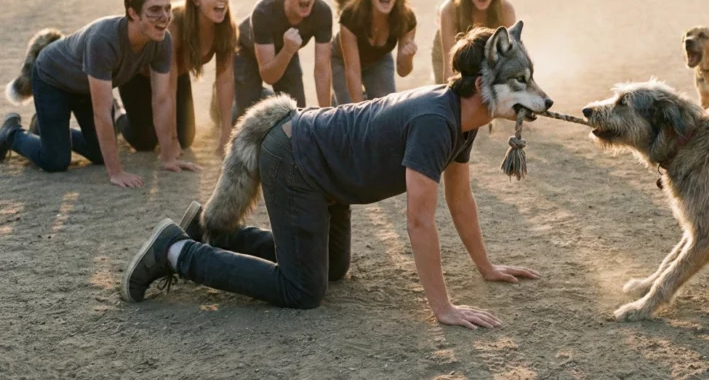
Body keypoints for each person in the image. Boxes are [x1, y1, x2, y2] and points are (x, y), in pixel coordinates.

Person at [121, 22, 554, 330]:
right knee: (302, 291)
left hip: (326, 174)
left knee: (332, 269)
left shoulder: (465, 120)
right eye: (521, 83)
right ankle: (175, 251)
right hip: (297, 160)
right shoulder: (435, 122)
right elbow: (420, 221)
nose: (539, 97)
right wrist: (442, 307)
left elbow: (461, 200)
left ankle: (206, 228)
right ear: (484, 81)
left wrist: (485, 266)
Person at [0, 0, 199, 187]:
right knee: (55, 161)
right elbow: (102, 112)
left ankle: (44, 127)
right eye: (154, 10)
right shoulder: (103, 40)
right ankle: (12, 132)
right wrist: (116, 173)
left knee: (97, 153)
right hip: (52, 78)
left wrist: (169, 157)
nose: (164, 17)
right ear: (133, 13)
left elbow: (162, 99)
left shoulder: (162, 39)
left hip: (85, 86)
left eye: (167, 9)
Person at [115, 0, 237, 156]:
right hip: (138, 75)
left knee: (186, 138)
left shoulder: (226, 28)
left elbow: (225, 80)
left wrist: (226, 134)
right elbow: (167, 86)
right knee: (144, 142)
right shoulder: (176, 24)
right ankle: (117, 113)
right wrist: (171, 141)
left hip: (177, 76)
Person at [231, 0, 332, 123]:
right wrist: (287, 50)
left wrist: (327, 118)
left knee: (294, 117)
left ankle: (264, 96)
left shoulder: (322, 12)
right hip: (246, 51)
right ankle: (245, 98)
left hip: (286, 52)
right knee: (248, 121)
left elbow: (322, 69)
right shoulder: (264, 12)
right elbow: (268, 76)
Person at [327, 0, 417, 105]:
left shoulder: (406, 18)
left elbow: (403, 71)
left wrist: (408, 57)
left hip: (379, 59)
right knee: (349, 111)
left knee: (386, 109)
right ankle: (338, 101)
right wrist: (358, 110)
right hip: (342, 61)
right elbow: (353, 71)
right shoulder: (350, 16)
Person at [431, 0, 516, 85]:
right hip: (450, 52)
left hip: (486, 54)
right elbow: (449, 68)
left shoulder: (506, 10)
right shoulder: (449, 9)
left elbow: (511, 56)